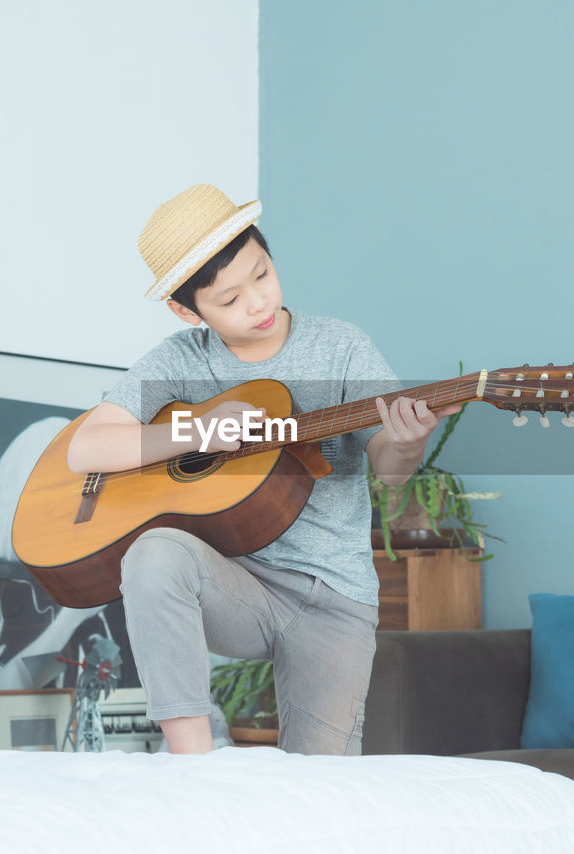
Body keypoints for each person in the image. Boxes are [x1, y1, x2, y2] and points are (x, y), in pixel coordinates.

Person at [65, 183, 460, 755]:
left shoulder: (341, 348)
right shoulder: (181, 361)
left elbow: (392, 472)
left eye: (262, 273)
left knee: (319, 798)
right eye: (228, 300)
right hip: (237, 586)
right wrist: (199, 430)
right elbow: (86, 450)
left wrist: (406, 443)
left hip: (335, 598)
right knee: (152, 553)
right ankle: (193, 767)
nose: (258, 303)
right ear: (185, 310)